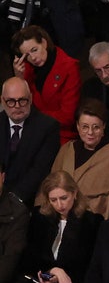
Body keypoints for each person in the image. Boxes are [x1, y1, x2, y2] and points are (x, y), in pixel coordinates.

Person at [45, 102, 109, 219]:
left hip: (93, 219)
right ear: (77, 126)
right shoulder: (67, 149)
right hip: (59, 217)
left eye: (96, 127)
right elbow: (49, 185)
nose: (90, 132)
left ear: (104, 126)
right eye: (85, 127)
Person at [0, 77, 63, 209]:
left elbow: (39, 170)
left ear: (31, 98)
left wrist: (13, 199)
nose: (17, 106)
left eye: (22, 100)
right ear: (2, 101)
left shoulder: (48, 127)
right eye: (11, 101)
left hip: (27, 201)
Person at [11, 27, 79, 146]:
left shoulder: (69, 67)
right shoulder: (26, 69)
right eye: (26, 55)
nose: (33, 58)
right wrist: (19, 79)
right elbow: (20, 106)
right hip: (33, 130)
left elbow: (68, 117)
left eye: (34, 50)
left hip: (61, 134)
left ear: (44, 43)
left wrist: (35, 117)